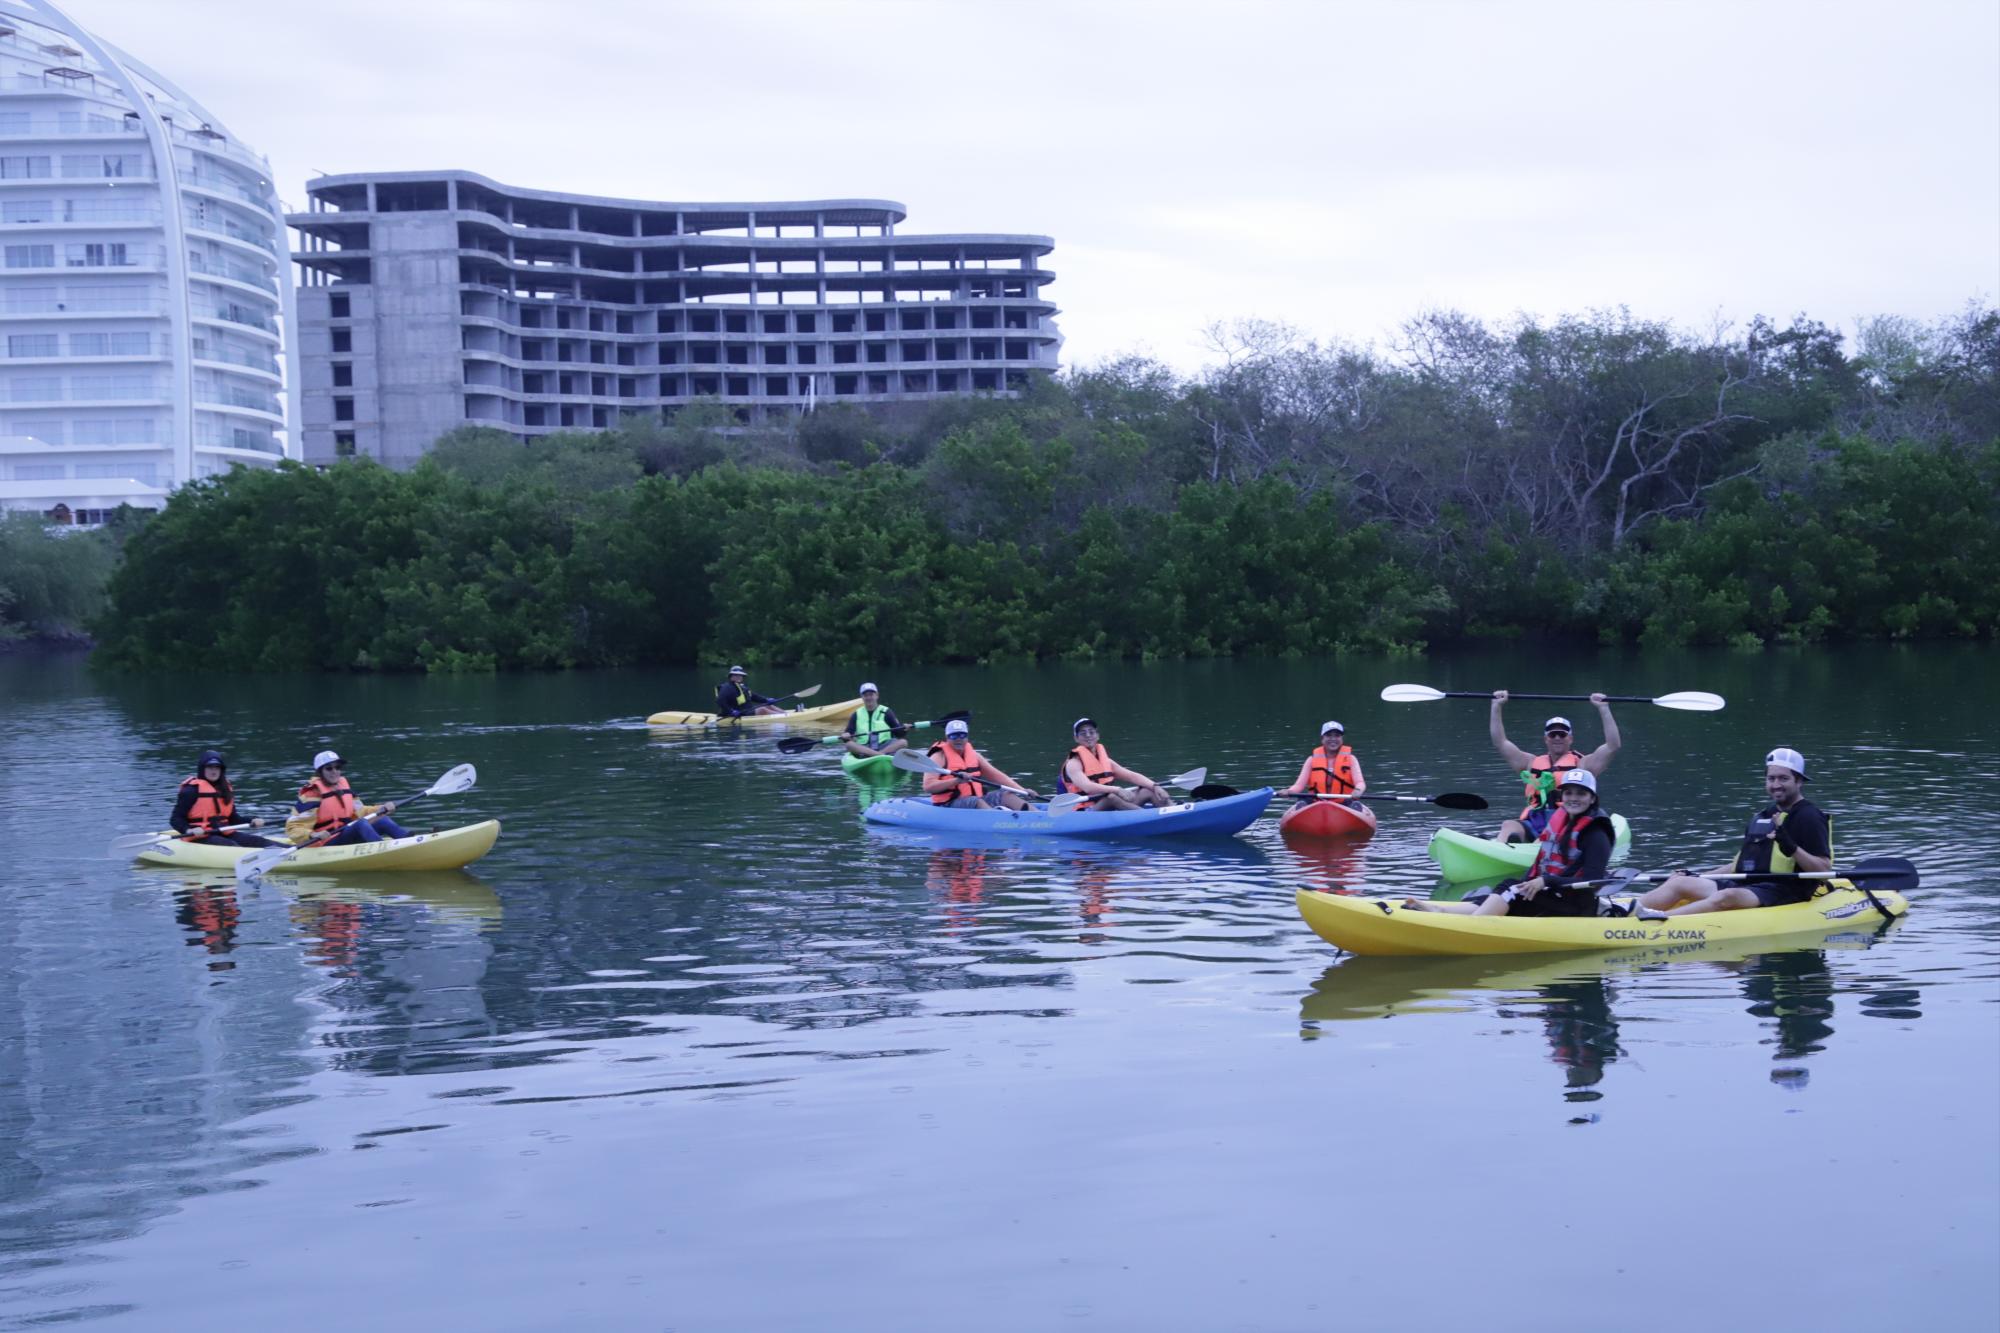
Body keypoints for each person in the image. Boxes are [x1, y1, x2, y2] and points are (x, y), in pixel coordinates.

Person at [1628, 748, 1832, 918]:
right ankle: (1621, 914)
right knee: (1679, 882)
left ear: (1799, 781)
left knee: (1727, 896)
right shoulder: (1764, 815)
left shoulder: (1809, 817)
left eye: (1783, 778)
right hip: (1749, 885)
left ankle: (1655, 920)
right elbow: (1738, 864)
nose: (1776, 785)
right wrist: (1699, 876)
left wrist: (1792, 848)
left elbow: (1823, 870)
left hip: (1785, 890)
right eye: (1771, 778)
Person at [1408, 769, 1617, 917]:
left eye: (1581, 793)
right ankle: (1440, 911)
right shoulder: (1562, 823)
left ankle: (1473, 926)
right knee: (1502, 891)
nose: (1573, 798)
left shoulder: (1596, 833)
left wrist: (1547, 881)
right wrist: (1529, 882)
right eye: (1569, 792)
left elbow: (1594, 880)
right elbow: (1541, 863)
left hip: (1575, 905)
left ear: (1592, 799)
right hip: (1554, 896)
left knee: (1509, 888)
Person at [1490, 691, 1620, 842]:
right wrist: (1496, 706)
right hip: (1536, 819)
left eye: (1562, 734)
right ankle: (1500, 848)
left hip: (1568, 819)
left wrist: (1603, 708)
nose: (1557, 738)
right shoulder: (1530, 763)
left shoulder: (1583, 764)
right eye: (1552, 735)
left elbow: (1613, 746)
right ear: (1546, 739)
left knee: (1548, 833)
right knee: (1509, 825)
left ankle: (1535, 850)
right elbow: (1500, 743)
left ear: (1570, 738)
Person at [292, 750, 413, 847]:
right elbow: (293, 827)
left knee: (382, 819)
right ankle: (383, 851)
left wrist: (382, 808)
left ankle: (410, 842)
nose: (335, 772)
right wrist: (313, 835)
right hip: (324, 842)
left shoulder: (343, 787)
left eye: (338, 767)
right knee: (359, 824)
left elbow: (360, 811)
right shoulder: (312, 795)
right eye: (329, 768)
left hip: (344, 834)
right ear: (320, 772)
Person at [1055, 718, 1172, 813]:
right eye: (1083, 733)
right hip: (1084, 812)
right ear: (1076, 738)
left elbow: (1132, 776)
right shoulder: (1073, 763)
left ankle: (1173, 810)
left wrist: (1155, 786)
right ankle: (1149, 818)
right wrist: (1116, 790)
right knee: (1111, 797)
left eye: (1091, 731)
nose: (1088, 735)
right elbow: (1088, 787)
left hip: (1108, 804)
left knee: (1147, 790)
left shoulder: (1106, 761)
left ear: (1097, 736)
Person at [170, 749, 279, 847]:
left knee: (259, 841)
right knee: (231, 845)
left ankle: (293, 853)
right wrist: (189, 829)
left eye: (217, 767)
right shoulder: (191, 790)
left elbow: (234, 819)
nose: (214, 771)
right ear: (202, 768)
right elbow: (175, 819)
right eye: (210, 767)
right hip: (200, 836)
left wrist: (253, 819)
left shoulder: (224, 790)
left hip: (224, 832)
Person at [923, 719, 1038, 811]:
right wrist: (956, 781)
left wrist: (1022, 790)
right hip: (948, 805)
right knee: (975, 801)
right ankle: (1000, 822)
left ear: (967, 737)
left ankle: (1038, 817)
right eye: (954, 736)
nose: (959, 739)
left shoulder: (974, 755)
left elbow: (997, 776)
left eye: (962, 735)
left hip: (976, 799)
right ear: (947, 738)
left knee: (1006, 795)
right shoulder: (938, 756)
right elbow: (928, 786)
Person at [1280, 720, 1366, 809]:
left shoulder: (1351, 759)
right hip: (1316, 802)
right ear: (1322, 738)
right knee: (1303, 800)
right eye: (1328, 735)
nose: (1333, 739)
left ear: (1341, 738)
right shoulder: (1311, 760)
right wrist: (1289, 791)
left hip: (1343, 802)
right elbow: (1299, 785)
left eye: (1337, 736)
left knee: (1354, 804)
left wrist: (1358, 791)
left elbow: (1360, 782)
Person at [843, 682, 908, 758]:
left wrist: (904, 729)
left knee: (903, 742)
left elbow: (899, 734)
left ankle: (878, 755)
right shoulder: (856, 714)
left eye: (871, 694)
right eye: (865, 695)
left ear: (877, 695)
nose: (868, 697)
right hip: (865, 748)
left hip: (885, 746)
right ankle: (879, 756)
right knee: (848, 745)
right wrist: (845, 735)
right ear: (862, 697)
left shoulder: (886, 712)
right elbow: (848, 734)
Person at [714, 666, 783, 718]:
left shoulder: (741, 687)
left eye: (740, 675)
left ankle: (785, 714)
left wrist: (766, 700)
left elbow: (753, 696)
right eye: (736, 675)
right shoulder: (727, 687)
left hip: (746, 711)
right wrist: (731, 711)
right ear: (730, 676)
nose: (739, 677)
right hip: (736, 714)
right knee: (762, 710)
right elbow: (720, 701)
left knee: (769, 705)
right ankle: (783, 718)